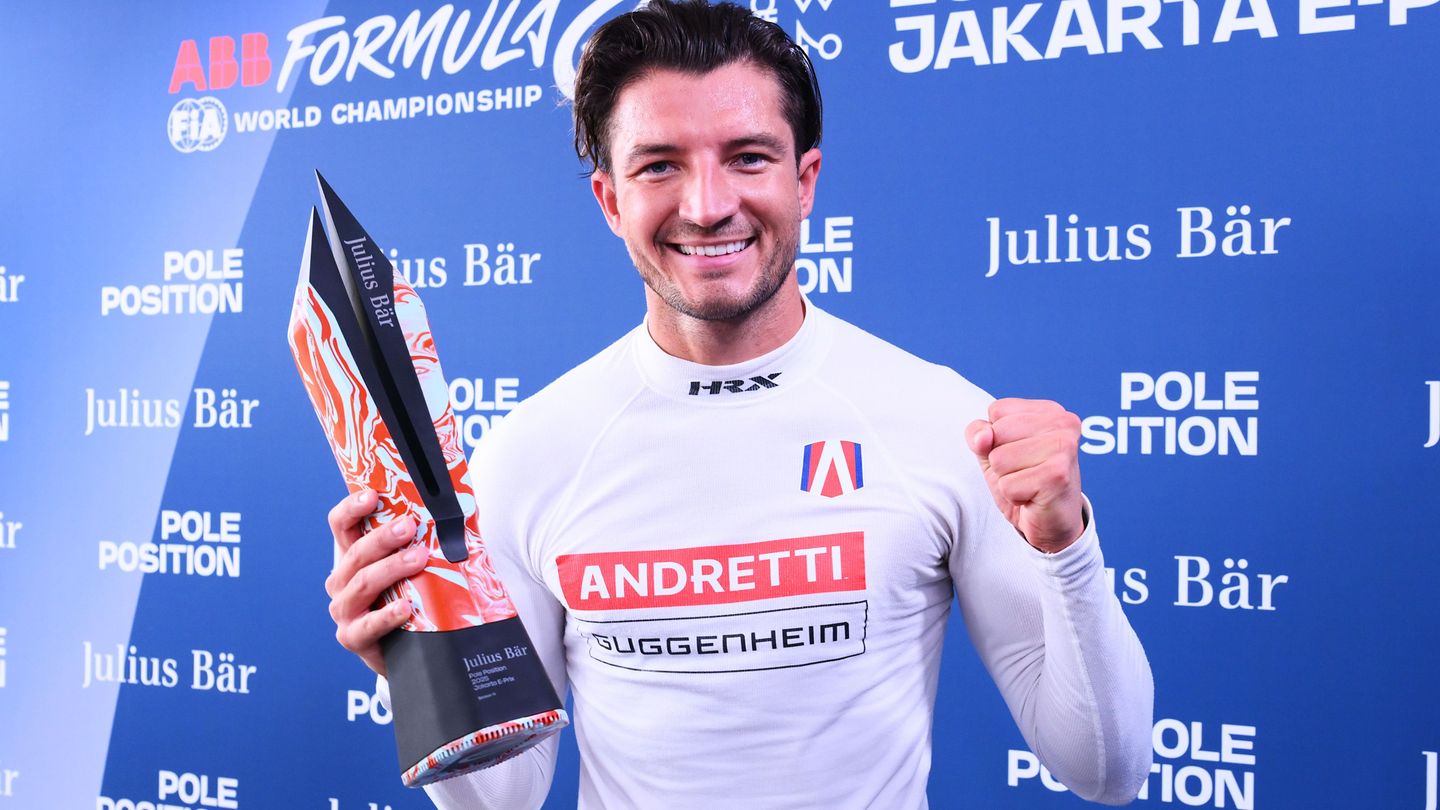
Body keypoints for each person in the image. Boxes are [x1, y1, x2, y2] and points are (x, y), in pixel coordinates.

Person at [324, 2, 1153, 807]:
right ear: (610, 201)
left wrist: (1066, 548)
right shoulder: (530, 451)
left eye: (749, 157)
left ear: (805, 181)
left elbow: (1106, 770)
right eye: (659, 166)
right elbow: (501, 800)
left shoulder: (943, 421)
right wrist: (420, 669)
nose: (707, 205)